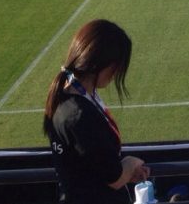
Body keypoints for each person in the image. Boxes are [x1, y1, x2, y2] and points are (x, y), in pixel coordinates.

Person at [43, 19, 149, 204]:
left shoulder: (69, 100)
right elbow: (114, 178)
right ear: (102, 64)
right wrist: (131, 163)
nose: (116, 74)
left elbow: (95, 166)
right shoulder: (79, 114)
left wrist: (125, 173)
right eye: (116, 67)